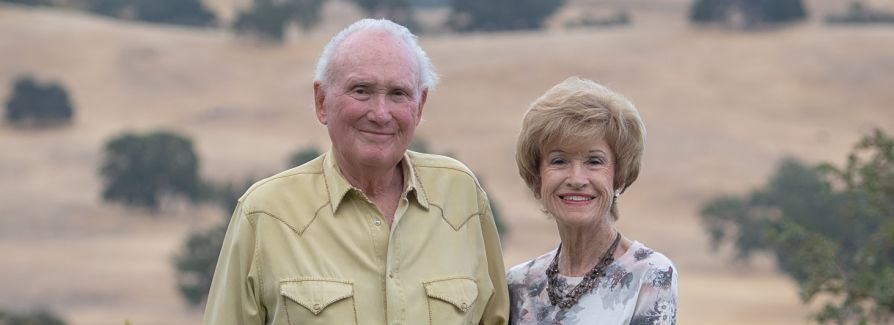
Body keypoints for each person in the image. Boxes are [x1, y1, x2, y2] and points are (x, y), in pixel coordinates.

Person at [203, 19, 509, 325]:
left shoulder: (461, 195)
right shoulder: (266, 212)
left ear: (420, 105)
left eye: (398, 93)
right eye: (361, 90)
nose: (380, 113)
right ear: (321, 101)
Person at [506, 77, 677, 324]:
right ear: (537, 177)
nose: (577, 178)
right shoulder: (518, 284)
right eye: (559, 161)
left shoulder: (650, 274)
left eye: (594, 161)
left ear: (618, 175)